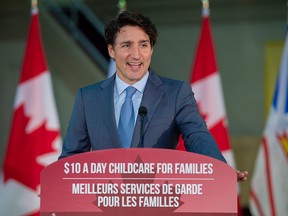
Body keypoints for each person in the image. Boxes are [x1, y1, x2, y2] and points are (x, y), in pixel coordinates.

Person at [59, 10, 248, 182]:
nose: (136, 55)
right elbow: (72, 156)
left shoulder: (176, 93)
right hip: (104, 203)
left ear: (151, 49)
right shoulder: (88, 97)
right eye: (126, 45)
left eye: (143, 45)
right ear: (111, 50)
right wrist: (56, 185)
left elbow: (197, 137)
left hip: (158, 202)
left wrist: (220, 169)